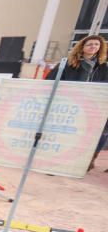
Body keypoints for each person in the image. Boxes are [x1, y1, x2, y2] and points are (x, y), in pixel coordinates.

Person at [46, 36, 108, 170]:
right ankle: (58, 161)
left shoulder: (103, 66)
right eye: (89, 44)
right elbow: (51, 80)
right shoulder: (68, 63)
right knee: (67, 134)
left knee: (94, 134)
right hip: (70, 104)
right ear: (82, 47)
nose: (93, 46)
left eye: (96, 44)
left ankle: (88, 160)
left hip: (92, 105)